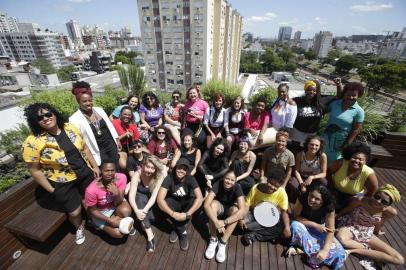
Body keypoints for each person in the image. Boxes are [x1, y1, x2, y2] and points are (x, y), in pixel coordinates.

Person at [22, 103, 100, 245]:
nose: (45, 118)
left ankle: (92, 220)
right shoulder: (33, 141)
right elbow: (34, 170)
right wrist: (51, 189)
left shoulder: (69, 127)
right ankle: (79, 227)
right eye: (40, 118)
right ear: (35, 122)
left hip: (84, 173)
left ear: (54, 114)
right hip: (63, 181)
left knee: (89, 202)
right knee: (74, 212)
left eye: (48, 114)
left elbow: (85, 148)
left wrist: (95, 167)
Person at [336, 184, 404, 268]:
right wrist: (334, 219)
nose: (378, 201)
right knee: (341, 239)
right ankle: (371, 253)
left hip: (367, 232)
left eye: (384, 201)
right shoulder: (361, 200)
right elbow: (347, 210)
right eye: (377, 196)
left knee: (399, 259)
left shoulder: (390, 212)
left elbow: (381, 222)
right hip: (351, 225)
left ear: (389, 204)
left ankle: (355, 250)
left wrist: (377, 231)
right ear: (374, 194)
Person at [286, 183, 346, 270]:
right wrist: (315, 225)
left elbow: (330, 230)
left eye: (317, 199)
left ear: (323, 201)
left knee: (340, 253)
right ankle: (312, 253)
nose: (312, 200)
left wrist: (325, 250)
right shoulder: (302, 198)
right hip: (303, 225)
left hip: (319, 231)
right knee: (294, 226)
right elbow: (296, 217)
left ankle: (303, 250)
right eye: (311, 195)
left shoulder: (329, 207)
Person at [69, 81, 120, 166]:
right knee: (105, 171)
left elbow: (109, 126)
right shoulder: (74, 119)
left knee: (115, 165)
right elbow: (80, 141)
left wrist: (117, 140)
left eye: (90, 100)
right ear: (78, 102)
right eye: (84, 101)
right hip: (97, 150)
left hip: (111, 145)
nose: (88, 103)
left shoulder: (99, 110)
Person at [157, 159, 204, 251]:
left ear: (187, 171)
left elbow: (200, 198)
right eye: (179, 168)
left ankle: (176, 227)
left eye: (184, 169)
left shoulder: (190, 178)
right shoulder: (169, 178)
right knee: (166, 202)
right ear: (175, 168)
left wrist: (187, 214)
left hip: (186, 204)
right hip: (174, 204)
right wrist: (173, 214)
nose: (181, 170)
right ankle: (182, 231)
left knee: (194, 200)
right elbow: (159, 200)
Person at [240, 169, 291, 245]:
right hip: (253, 215)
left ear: (280, 186)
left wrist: (287, 228)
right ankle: (267, 235)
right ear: (267, 179)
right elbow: (247, 205)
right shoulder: (256, 188)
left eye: (276, 186)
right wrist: (242, 218)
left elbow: (284, 212)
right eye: (271, 183)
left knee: (281, 227)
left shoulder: (282, 193)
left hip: (269, 219)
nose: (272, 187)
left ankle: (253, 236)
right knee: (242, 224)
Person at [204, 171, 246, 263]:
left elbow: (242, 210)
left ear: (235, 181)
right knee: (212, 205)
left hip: (229, 210)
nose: (229, 181)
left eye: (232, 180)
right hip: (220, 207)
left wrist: (223, 222)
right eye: (227, 178)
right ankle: (213, 239)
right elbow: (206, 205)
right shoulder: (218, 183)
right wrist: (216, 222)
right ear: (223, 178)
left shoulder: (237, 187)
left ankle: (223, 242)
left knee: (236, 211)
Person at [85, 162, 133, 238]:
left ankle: (117, 219)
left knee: (126, 211)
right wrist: (109, 220)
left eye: (112, 170)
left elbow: (119, 201)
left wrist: (116, 194)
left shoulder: (121, 177)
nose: (110, 173)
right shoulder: (91, 190)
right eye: (106, 170)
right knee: (118, 234)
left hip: (115, 203)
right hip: (101, 211)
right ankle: (100, 222)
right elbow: (93, 211)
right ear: (101, 170)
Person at [128, 156, 166, 252]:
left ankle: (144, 221)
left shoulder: (159, 175)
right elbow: (131, 195)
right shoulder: (138, 174)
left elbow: (154, 197)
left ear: (156, 169)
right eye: (147, 166)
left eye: (152, 168)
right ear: (143, 165)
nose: (149, 170)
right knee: (140, 198)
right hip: (141, 202)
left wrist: (143, 211)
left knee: (149, 216)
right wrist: (137, 211)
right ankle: (150, 236)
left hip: (153, 203)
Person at [321, 80, 365, 163]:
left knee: (333, 162)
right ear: (344, 94)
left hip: (340, 143)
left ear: (358, 95)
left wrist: (347, 145)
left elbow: (355, 130)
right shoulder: (335, 104)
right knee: (320, 159)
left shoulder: (359, 111)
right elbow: (322, 111)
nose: (351, 97)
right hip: (325, 137)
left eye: (354, 95)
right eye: (348, 95)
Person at [328, 142, 378, 211]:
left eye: (361, 159)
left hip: (352, 197)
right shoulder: (341, 163)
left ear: (365, 161)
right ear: (350, 157)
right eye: (354, 157)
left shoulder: (369, 173)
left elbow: (373, 189)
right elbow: (328, 172)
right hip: (335, 191)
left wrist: (360, 199)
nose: (357, 161)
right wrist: (332, 188)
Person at [287, 135, 328, 203]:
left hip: (314, 178)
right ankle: (294, 202)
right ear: (307, 144)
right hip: (301, 177)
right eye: (311, 144)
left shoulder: (322, 156)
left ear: (320, 146)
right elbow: (296, 171)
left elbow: (324, 173)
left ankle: (316, 200)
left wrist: (312, 177)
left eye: (316, 145)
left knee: (324, 182)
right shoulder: (300, 154)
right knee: (292, 183)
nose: (314, 147)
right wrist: (301, 183)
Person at [291, 80, 326, 146]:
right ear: (305, 90)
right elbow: (285, 101)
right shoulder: (297, 100)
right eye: (309, 90)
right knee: (295, 150)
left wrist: (338, 85)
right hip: (297, 133)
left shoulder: (320, 103)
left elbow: (338, 97)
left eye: (314, 91)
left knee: (307, 152)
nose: (312, 92)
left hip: (312, 135)